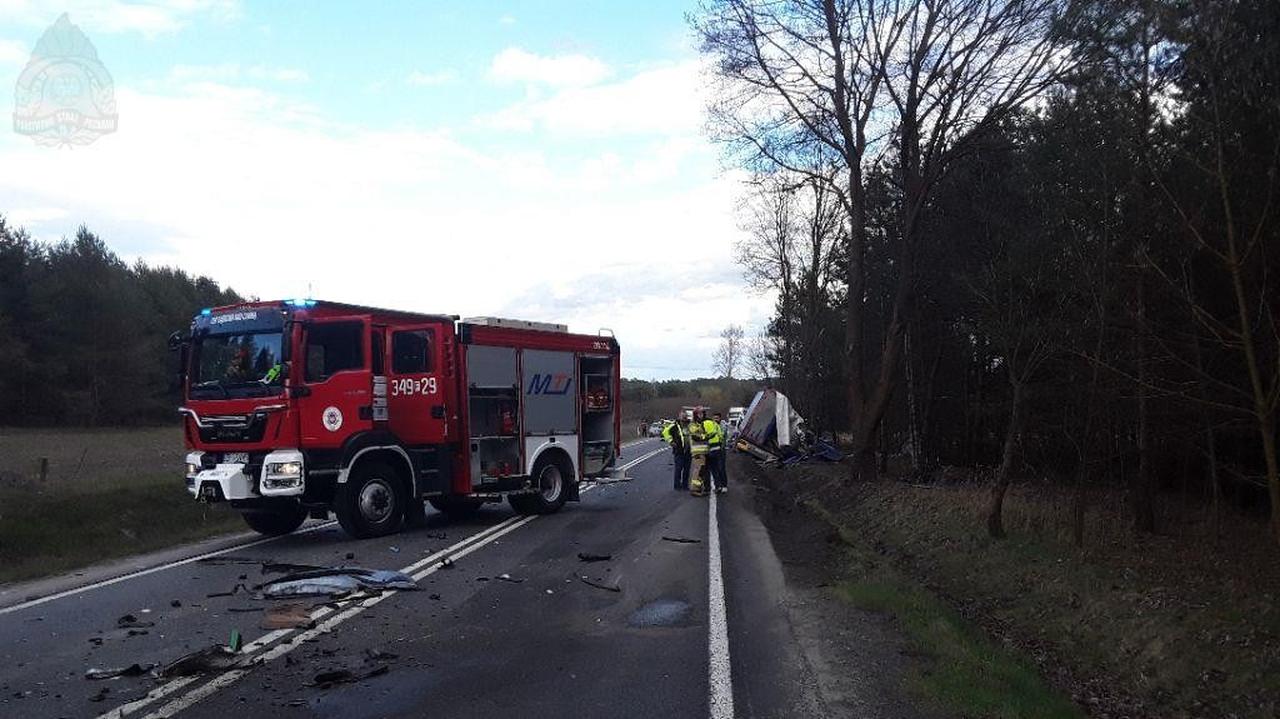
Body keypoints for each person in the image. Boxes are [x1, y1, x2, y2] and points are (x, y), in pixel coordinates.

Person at [662, 416, 692, 490]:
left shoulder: (690, 426)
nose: (684, 421)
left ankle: (685, 485)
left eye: (685, 420)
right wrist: (671, 441)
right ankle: (677, 485)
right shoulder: (674, 426)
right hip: (679, 451)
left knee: (687, 470)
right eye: (682, 419)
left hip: (688, 451)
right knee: (678, 469)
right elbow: (665, 432)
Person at [702, 410, 727, 493]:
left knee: (720, 468)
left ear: (720, 418)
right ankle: (718, 485)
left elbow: (722, 436)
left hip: (719, 449)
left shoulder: (722, 425)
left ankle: (723, 485)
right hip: (715, 449)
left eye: (717, 418)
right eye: (714, 418)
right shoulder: (713, 424)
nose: (716, 419)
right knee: (715, 468)